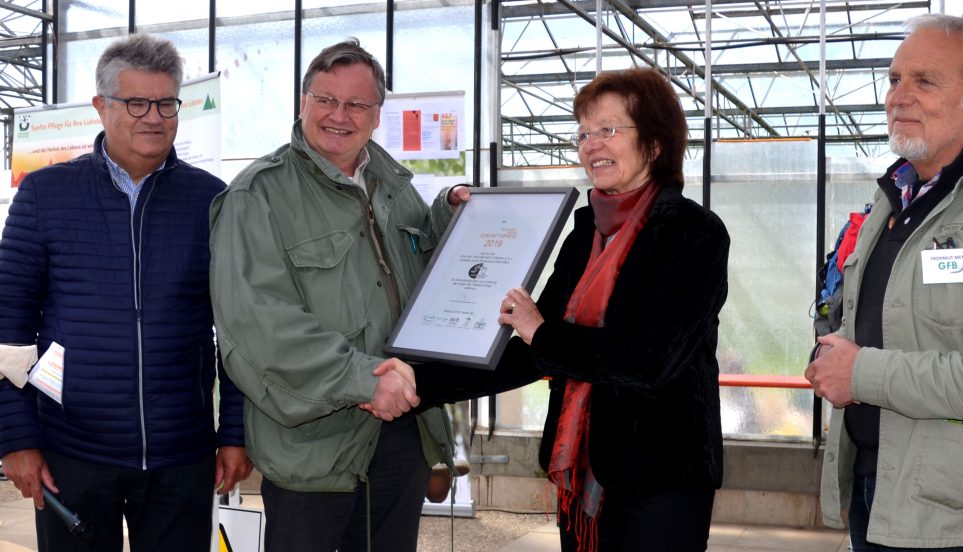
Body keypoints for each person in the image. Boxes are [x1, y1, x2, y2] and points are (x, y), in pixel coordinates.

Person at [208, 39, 469, 552]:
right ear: (303, 101)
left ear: (377, 114)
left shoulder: (391, 184)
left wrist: (452, 216)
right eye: (325, 99)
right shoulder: (256, 195)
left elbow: (416, 266)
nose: (339, 116)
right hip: (314, 447)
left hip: (402, 434)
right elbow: (258, 326)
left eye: (356, 104)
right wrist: (361, 381)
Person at [0, 34, 252, 552]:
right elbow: (9, 324)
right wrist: (17, 439)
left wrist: (235, 432)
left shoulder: (211, 201)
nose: (153, 117)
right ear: (101, 107)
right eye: (136, 103)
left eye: (166, 103)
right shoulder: (46, 195)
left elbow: (239, 329)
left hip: (181, 453)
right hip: (72, 449)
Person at [804, 13, 963, 551]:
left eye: (924, 81)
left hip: (954, 517)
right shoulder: (894, 198)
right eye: (894, 78)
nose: (899, 96)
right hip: (875, 491)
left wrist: (862, 372)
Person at [495, 67, 730, 551]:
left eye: (608, 129)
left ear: (656, 142)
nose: (591, 144)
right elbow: (537, 346)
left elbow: (649, 359)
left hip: (660, 481)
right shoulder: (586, 231)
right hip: (583, 471)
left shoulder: (694, 232)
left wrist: (541, 333)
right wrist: (422, 380)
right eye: (583, 133)